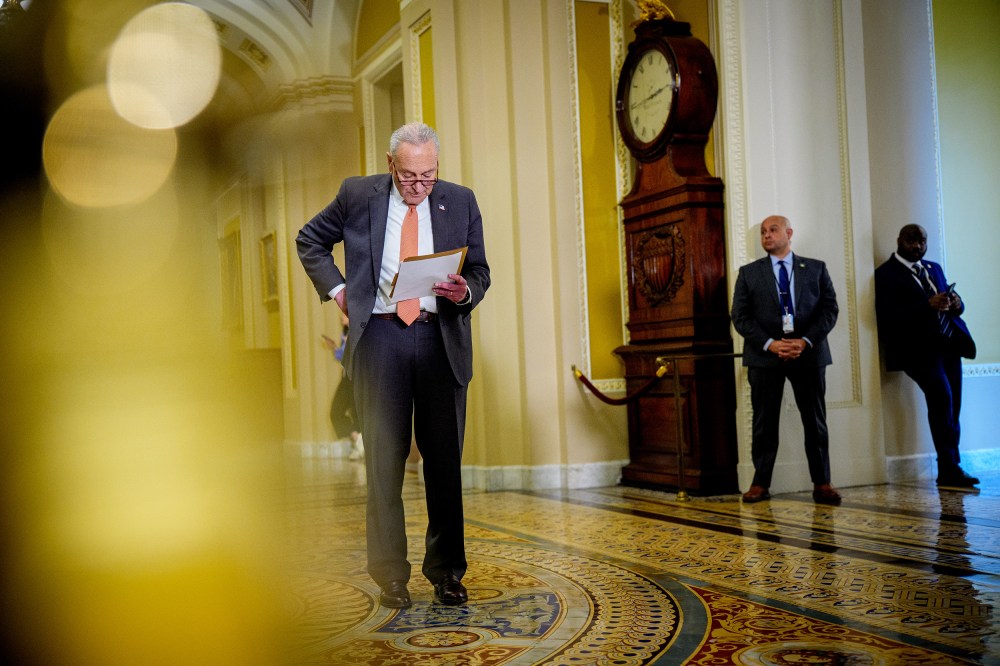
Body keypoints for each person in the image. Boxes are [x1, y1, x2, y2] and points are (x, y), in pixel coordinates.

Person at [297, 122, 490, 609]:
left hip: (439, 337)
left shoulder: (460, 200)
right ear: (391, 166)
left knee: (443, 465)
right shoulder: (357, 194)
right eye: (409, 176)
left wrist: (464, 291)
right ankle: (391, 577)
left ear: (437, 168)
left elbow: (480, 270)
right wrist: (340, 291)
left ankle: (447, 573)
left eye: (427, 176)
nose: (418, 186)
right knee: (384, 464)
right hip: (380, 338)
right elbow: (309, 240)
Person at [731, 215, 841, 505]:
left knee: (814, 421)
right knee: (764, 423)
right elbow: (740, 317)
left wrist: (804, 341)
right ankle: (760, 484)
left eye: (773, 230)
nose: (767, 235)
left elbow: (829, 310)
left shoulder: (816, 269)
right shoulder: (749, 273)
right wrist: (771, 344)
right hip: (765, 356)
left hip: (808, 354)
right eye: (763, 232)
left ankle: (822, 482)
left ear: (789, 233)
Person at [874, 224, 977, 488]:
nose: (917, 246)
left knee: (953, 405)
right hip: (917, 351)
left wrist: (956, 303)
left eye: (922, 241)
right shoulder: (886, 275)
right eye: (911, 241)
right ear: (899, 240)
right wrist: (925, 306)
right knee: (941, 398)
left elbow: (957, 305)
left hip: (949, 346)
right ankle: (948, 467)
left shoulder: (933, 268)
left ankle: (951, 466)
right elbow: (887, 318)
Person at [321, 312, 363, 460]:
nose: (341, 317)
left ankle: (360, 445)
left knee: (357, 413)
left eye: (344, 314)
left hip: (357, 377)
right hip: (346, 377)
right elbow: (343, 357)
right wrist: (334, 349)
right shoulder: (345, 331)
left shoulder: (359, 330)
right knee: (335, 412)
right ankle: (358, 438)